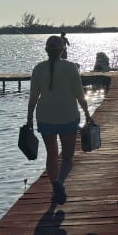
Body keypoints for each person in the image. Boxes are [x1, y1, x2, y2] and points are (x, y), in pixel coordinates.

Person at [26, 35, 92, 204]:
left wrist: (29, 121)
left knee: (51, 154)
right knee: (68, 156)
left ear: (47, 50)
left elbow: (33, 98)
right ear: (63, 50)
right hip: (68, 116)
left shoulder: (38, 69)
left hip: (44, 117)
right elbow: (79, 94)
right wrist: (87, 114)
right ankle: (60, 183)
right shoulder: (71, 68)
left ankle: (54, 183)